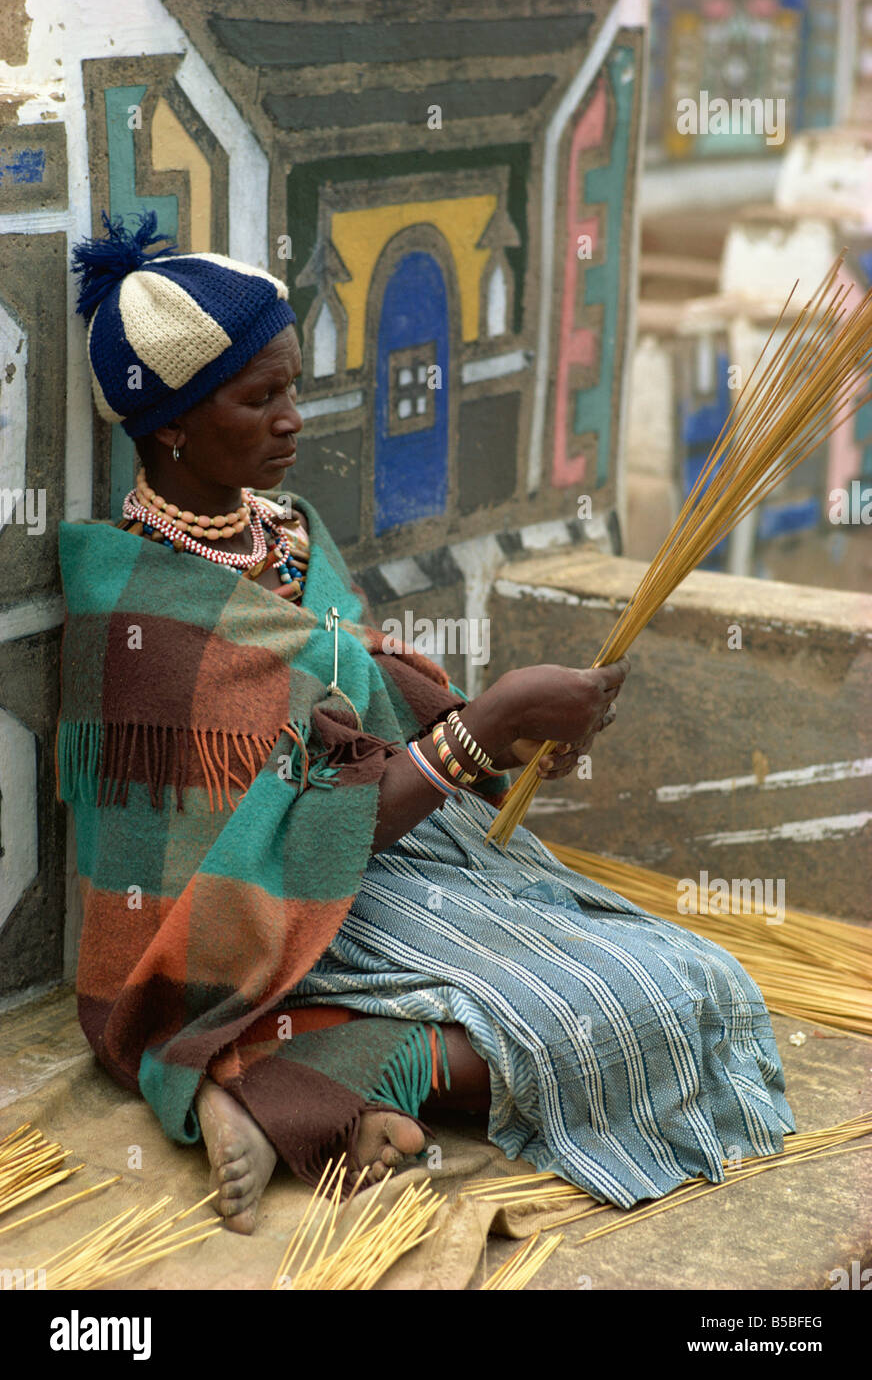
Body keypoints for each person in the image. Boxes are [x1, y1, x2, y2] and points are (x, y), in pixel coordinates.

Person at [57, 212, 794, 1235]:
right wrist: (481, 730)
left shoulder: (289, 533)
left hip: (381, 867)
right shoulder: (139, 603)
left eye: (294, 389)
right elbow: (277, 841)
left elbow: (369, 722)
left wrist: (510, 735)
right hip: (250, 920)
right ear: (171, 424)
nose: (291, 419)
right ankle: (290, 1086)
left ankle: (297, 1085)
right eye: (258, 397)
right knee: (578, 1013)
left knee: (691, 979)